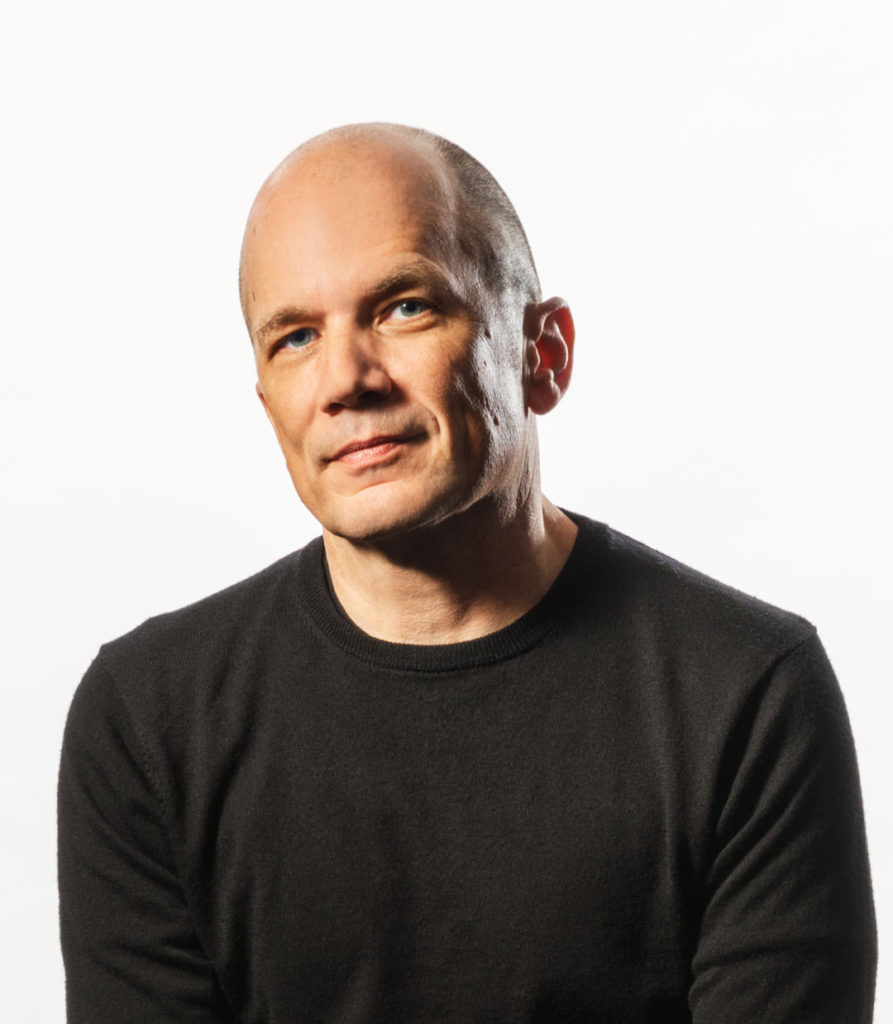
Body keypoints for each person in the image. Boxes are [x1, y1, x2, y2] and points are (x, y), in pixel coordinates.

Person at [58, 123, 876, 1023]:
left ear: (544, 353)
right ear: (267, 401)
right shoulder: (149, 720)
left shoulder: (745, 694)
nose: (344, 380)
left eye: (404, 307)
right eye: (293, 337)